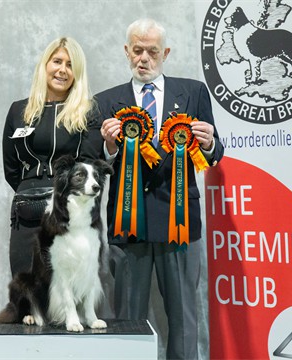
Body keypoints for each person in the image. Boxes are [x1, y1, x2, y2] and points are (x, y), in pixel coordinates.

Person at [95, 19, 224, 359]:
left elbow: (214, 156)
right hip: (127, 226)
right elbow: (95, 164)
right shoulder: (105, 102)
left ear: (165, 53)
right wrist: (108, 147)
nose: (144, 58)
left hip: (180, 225)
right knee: (127, 321)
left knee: (183, 319)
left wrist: (210, 144)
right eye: (137, 50)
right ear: (126, 52)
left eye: (152, 51)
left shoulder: (194, 92)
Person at [2, 37, 103, 277]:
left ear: (76, 73)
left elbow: (89, 166)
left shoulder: (89, 112)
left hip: (71, 215)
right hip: (27, 211)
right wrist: (31, 188)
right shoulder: (18, 110)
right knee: (27, 292)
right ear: (45, 65)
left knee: (67, 291)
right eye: (57, 61)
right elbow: (11, 168)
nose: (62, 70)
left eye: (70, 65)